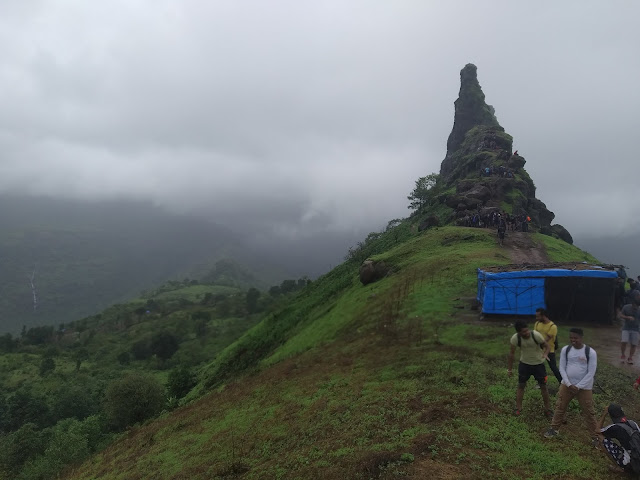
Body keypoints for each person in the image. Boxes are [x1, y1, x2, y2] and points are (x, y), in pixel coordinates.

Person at [544, 328, 598, 444]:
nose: (573, 340)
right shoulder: (566, 350)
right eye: (571, 338)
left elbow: (591, 372)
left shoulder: (590, 352)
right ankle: (554, 429)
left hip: (584, 388)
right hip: (566, 385)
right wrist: (568, 384)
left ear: (581, 338)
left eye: (576, 338)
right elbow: (562, 368)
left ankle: (595, 437)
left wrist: (578, 386)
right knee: (560, 407)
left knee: (589, 412)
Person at [508, 319, 551, 417]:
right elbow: (511, 354)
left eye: (527, 330)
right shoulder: (515, 339)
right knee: (521, 386)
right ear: (518, 332)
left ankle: (548, 409)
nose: (526, 333)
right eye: (524, 332)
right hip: (524, 364)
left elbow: (547, 346)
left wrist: (545, 353)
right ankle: (518, 409)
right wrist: (509, 369)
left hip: (539, 365)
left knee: (543, 387)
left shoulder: (536, 335)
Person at [598, 403, 640, 474]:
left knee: (600, 437)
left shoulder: (615, 427)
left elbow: (597, 431)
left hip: (631, 464)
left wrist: (604, 414)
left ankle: (620, 468)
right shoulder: (633, 423)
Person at [534, 308, 562, 383]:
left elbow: (547, 339)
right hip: (539, 350)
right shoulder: (537, 324)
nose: (537, 318)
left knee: (553, 368)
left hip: (549, 350)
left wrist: (539, 344)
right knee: (539, 368)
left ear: (543, 316)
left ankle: (561, 382)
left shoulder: (552, 326)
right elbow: (535, 335)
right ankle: (541, 381)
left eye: (538, 316)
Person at [619, 291, 640, 364]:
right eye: (635, 306)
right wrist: (627, 317)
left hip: (636, 329)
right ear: (632, 304)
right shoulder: (626, 307)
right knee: (624, 341)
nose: (635, 308)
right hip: (626, 328)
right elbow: (620, 315)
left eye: (637, 306)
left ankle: (630, 357)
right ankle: (622, 355)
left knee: (634, 344)